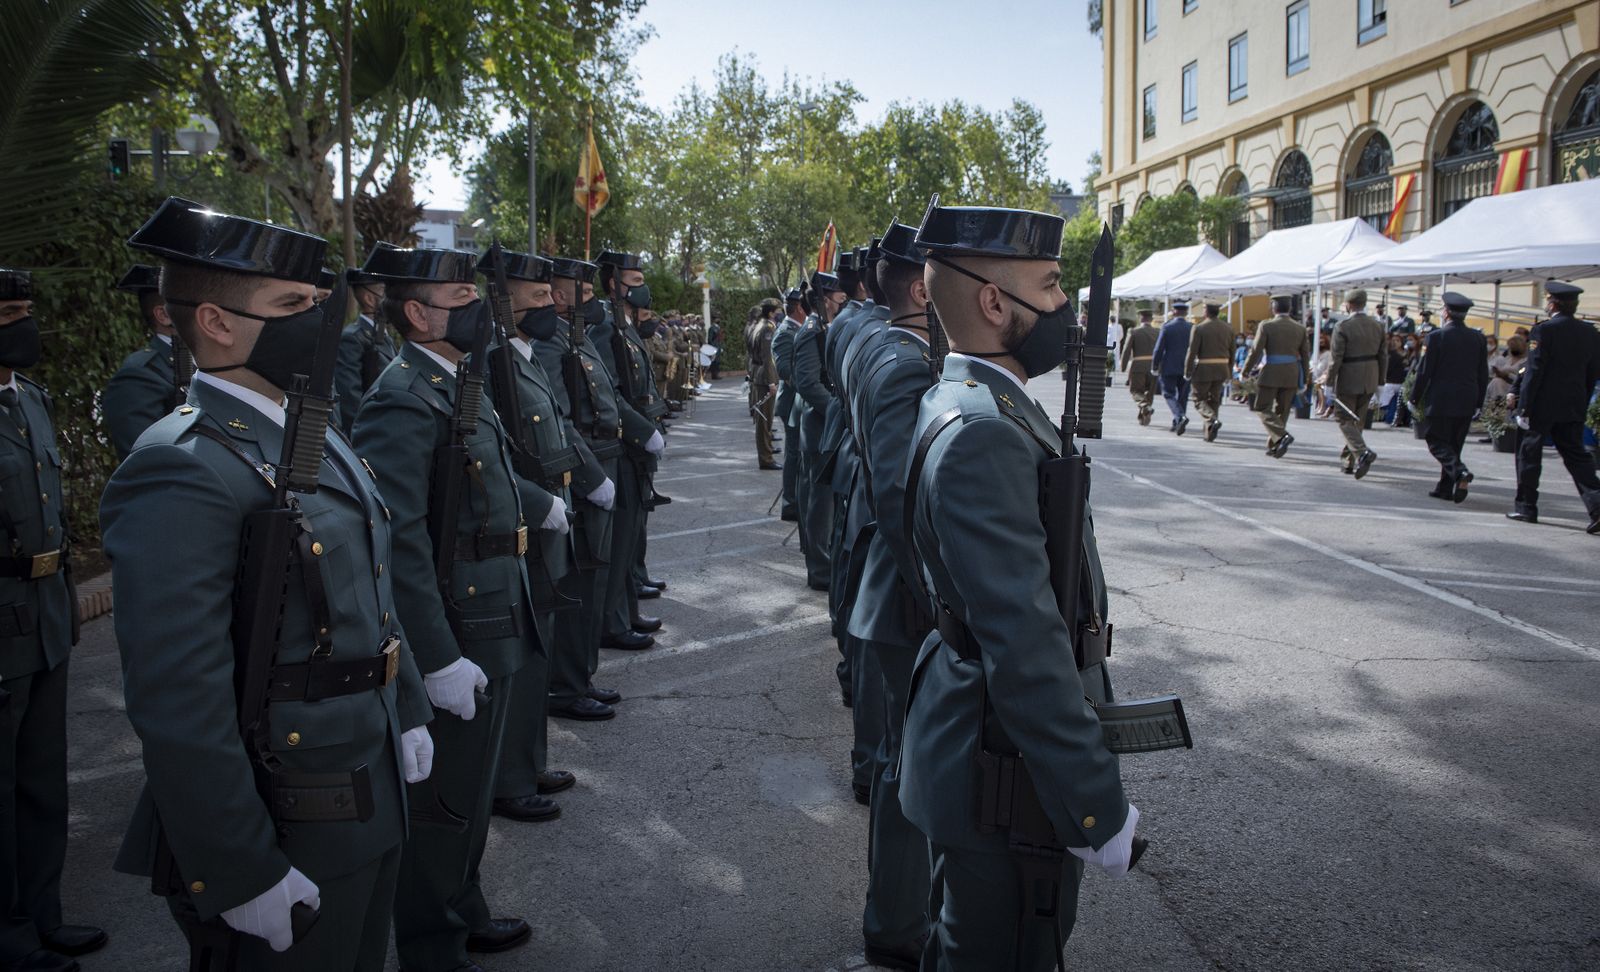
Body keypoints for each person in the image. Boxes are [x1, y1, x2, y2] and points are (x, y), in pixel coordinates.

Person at [102, 201, 428, 972]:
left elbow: (372, 589)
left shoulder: (309, 430)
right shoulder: (181, 464)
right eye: (291, 306)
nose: (317, 321)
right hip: (288, 813)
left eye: (316, 302)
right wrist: (239, 866)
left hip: (365, 784)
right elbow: (179, 697)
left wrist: (408, 705)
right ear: (216, 322)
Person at [901, 201, 1137, 971]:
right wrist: (1094, 804)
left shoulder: (974, 399)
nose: (1065, 307)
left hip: (986, 747)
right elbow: (1025, 645)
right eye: (1051, 285)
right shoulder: (985, 431)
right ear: (995, 303)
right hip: (1001, 763)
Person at [350, 245, 541, 970]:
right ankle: (433, 943)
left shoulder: (456, 381)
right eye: (461, 299)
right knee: (443, 803)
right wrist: (435, 659)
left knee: (472, 790)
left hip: (493, 616)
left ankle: (464, 907)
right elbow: (398, 542)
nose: (478, 310)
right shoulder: (403, 397)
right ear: (418, 313)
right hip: (458, 631)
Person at [0, 268, 105, 972]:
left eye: (25, 311)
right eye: (10, 313)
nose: (25, 326)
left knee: (42, 778)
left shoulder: (29, 400)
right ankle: (9, 935)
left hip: (42, 615)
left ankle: (43, 914)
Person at [843, 222, 933, 971]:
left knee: (903, 753)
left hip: (893, 583)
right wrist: (943, 596)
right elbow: (902, 496)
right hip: (907, 592)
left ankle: (898, 913)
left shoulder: (885, 347)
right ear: (923, 288)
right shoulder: (904, 362)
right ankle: (898, 922)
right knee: (910, 760)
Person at [479, 249, 587, 825]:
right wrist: (540, 503)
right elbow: (492, 459)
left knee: (538, 651)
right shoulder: (492, 361)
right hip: (521, 522)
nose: (552, 303)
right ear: (506, 304)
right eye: (538, 297)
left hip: (546, 519)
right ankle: (509, 777)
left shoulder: (525, 355)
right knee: (520, 662)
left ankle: (529, 760)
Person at [531, 257, 626, 719]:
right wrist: (591, 477)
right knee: (577, 586)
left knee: (593, 582)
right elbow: (561, 421)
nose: (591, 300)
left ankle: (580, 676)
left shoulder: (576, 337)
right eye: (582, 293)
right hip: (579, 471)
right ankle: (566, 685)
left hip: (599, 460)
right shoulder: (550, 344)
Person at [591, 251, 667, 651]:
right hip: (622, 442)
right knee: (619, 540)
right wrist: (642, 431)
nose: (642, 288)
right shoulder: (605, 327)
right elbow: (609, 393)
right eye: (634, 281)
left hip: (634, 446)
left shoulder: (624, 325)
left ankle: (627, 611)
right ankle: (612, 621)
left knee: (630, 534)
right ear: (613, 284)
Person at [1506, 281, 1600, 532]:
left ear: (1553, 304)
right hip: (1573, 404)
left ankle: (1526, 507)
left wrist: (1524, 407)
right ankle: (1597, 505)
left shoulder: (1544, 331)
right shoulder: (1590, 332)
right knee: (1577, 457)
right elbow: (1593, 372)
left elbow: (1534, 371)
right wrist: (1581, 400)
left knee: (1529, 456)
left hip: (1542, 405)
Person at [792, 270, 844, 592]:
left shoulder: (824, 328)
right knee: (819, 505)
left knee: (827, 503)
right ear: (825, 300)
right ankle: (820, 570)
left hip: (827, 426)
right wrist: (838, 411)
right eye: (839, 296)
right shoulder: (811, 331)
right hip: (819, 427)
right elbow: (808, 383)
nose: (843, 301)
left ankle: (826, 562)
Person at [1413, 292, 1489, 504]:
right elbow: (1483, 373)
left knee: (1435, 439)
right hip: (1467, 397)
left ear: (1446, 313)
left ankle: (1459, 472)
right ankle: (1445, 487)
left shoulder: (1436, 337)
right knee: (1455, 444)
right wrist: (1479, 401)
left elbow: (1424, 371)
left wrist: (1414, 398)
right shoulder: (1478, 338)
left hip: (1442, 398)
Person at [104, 264, 183, 461]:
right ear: (163, 315)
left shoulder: (202, 363)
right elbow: (147, 460)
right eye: (192, 304)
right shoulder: (140, 374)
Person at [333, 250, 395, 435]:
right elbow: (350, 397)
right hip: (369, 432)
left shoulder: (383, 335)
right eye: (384, 292)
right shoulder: (352, 338)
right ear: (369, 298)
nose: (391, 298)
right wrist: (362, 436)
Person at [1326, 288, 1386, 478]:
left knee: (1343, 417)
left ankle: (1361, 452)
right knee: (1357, 420)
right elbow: (1383, 355)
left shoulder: (1343, 326)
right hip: (1371, 376)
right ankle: (1349, 461)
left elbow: (1336, 358)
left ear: (1349, 305)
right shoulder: (1377, 325)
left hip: (1349, 376)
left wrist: (1329, 382)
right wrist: (1381, 381)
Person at [1242, 295, 1310, 457]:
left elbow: (1256, 350)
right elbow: (1305, 355)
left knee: (1262, 407)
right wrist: (1305, 377)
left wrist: (1246, 370)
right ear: (1290, 309)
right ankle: (1275, 444)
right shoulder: (1300, 328)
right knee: (1283, 410)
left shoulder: (1266, 325)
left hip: (1271, 371)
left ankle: (1281, 436)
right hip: (1292, 372)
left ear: (1273, 308)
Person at [1183, 302, 1233, 441]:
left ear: (1206, 312)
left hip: (1204, 368)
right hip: (1222, 368)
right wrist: (1229, 371)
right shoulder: (1228, 328)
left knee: (1198, 398)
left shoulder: (1199, 328)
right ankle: (1210, 433)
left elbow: (1192, 351)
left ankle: (1211, 419)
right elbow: (1232, 352)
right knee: (1214, 400)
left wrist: (1188, 370)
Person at [747, 300, 781, 470]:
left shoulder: (758, 326)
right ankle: (766, 458)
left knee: (764, 420)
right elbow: (767, 357)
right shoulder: (767, 328)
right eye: (777, 311)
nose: (779, 314)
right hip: (764, 378)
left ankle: (767, 452)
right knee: (764, 421)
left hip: (757, 374)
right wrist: (771, 381)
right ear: (770, 313)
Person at [1150, 301, 1192, 434]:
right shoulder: (1191, 327)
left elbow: (1158, 348)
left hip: (1169, 366)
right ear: (1186, 313)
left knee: (1168, 393)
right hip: (1186, 366)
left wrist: (1155, 365)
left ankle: (1180, 417)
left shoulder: (1167, 327)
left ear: (1174, 312)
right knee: (1183, 396)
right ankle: (1178, 422)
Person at [1120, 309, 1159, 425]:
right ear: (1151, 319)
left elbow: (1126, 350)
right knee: (1150, 393)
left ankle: (1145, 406)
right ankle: (1144, 417)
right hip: (1154, 366)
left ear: (1141, 318)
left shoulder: (1134, 331)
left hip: (1138, 366)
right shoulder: (1158, 332)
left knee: (1136, 391)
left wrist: (1123, 366)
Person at [1486, 333, 1527, 402]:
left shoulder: (1524, 362)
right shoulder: (1508, 359)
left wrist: (1507, 375)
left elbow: (1521, 380)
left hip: (1512, 391)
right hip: (1500, 387)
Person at [1377, 333, 1409, 423]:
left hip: (1398, 382)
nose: (1395, 342)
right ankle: (1389, 418)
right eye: (1393, 340)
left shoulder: (1405, 354)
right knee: (1392, 402)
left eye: (1397, 340)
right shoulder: (1390, 354)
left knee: (1392, 402)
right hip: (1391, 382)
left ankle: (1390, 418)